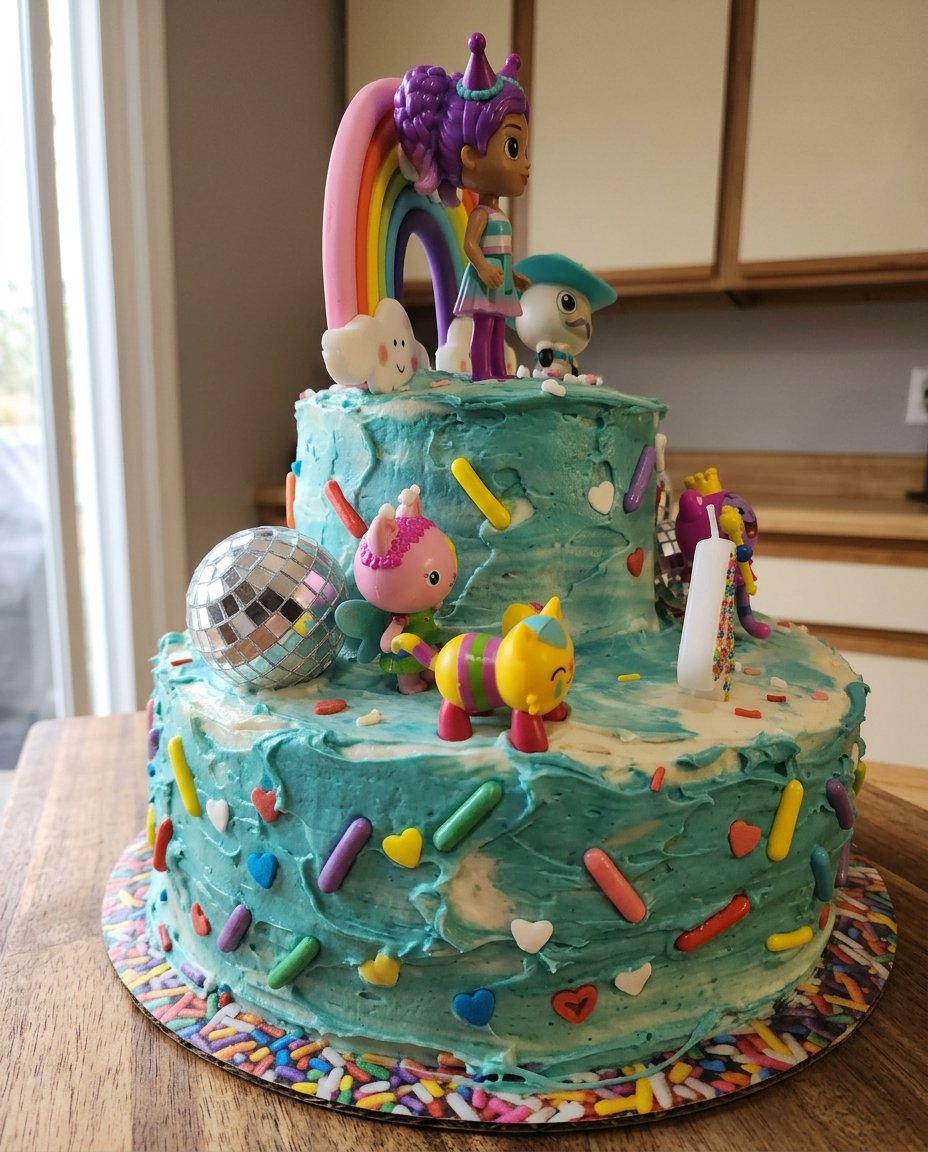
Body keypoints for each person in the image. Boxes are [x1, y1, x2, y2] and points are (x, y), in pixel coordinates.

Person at [394, 32, 531, 380]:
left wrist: (512, 273)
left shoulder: (499, 216)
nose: (526, 163)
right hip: (485, 281)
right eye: (513, 148)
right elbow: (471, 244)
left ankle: (498, 372)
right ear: (469, 157)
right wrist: (484, 267)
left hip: (499, 280)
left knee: (498, 330)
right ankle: (483, 371)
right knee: (483, 329)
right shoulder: (481, 214)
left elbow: (502, 251)